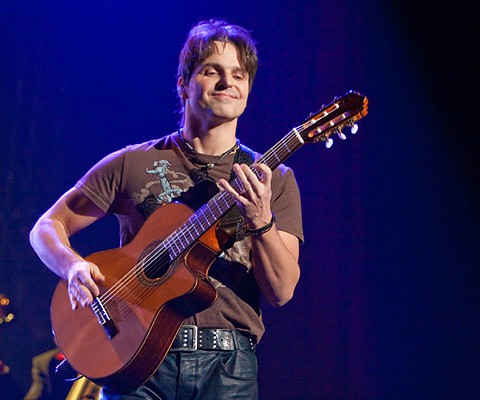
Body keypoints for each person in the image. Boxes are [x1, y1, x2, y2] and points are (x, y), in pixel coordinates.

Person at [29, 19, 303, 399]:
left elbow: (282, 291)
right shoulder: (131, 163)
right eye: (212, 71)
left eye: (238, 75)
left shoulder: (274, 179)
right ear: (183, 85)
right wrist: (71, 265)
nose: (228, 83)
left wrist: (261, 222)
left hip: (228, 368)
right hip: (135, 361)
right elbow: (46, 227)